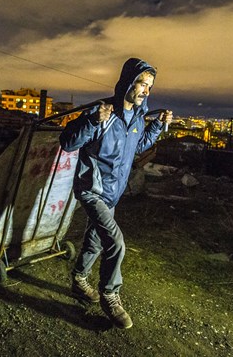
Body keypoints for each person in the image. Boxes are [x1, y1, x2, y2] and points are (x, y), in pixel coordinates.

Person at [59, 57, 172, 329]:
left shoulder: (136, 118)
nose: (146, 90)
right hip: (92, 190)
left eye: (150, 86)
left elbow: (136, 147)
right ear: (127, 83)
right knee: (115, 242)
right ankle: (110, 294)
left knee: (96, 240)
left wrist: (156, 126)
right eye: (142, 83)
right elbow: (68, 142)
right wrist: (92, 122)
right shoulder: (103, 113)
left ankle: (79, 280)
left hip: (113, 193)